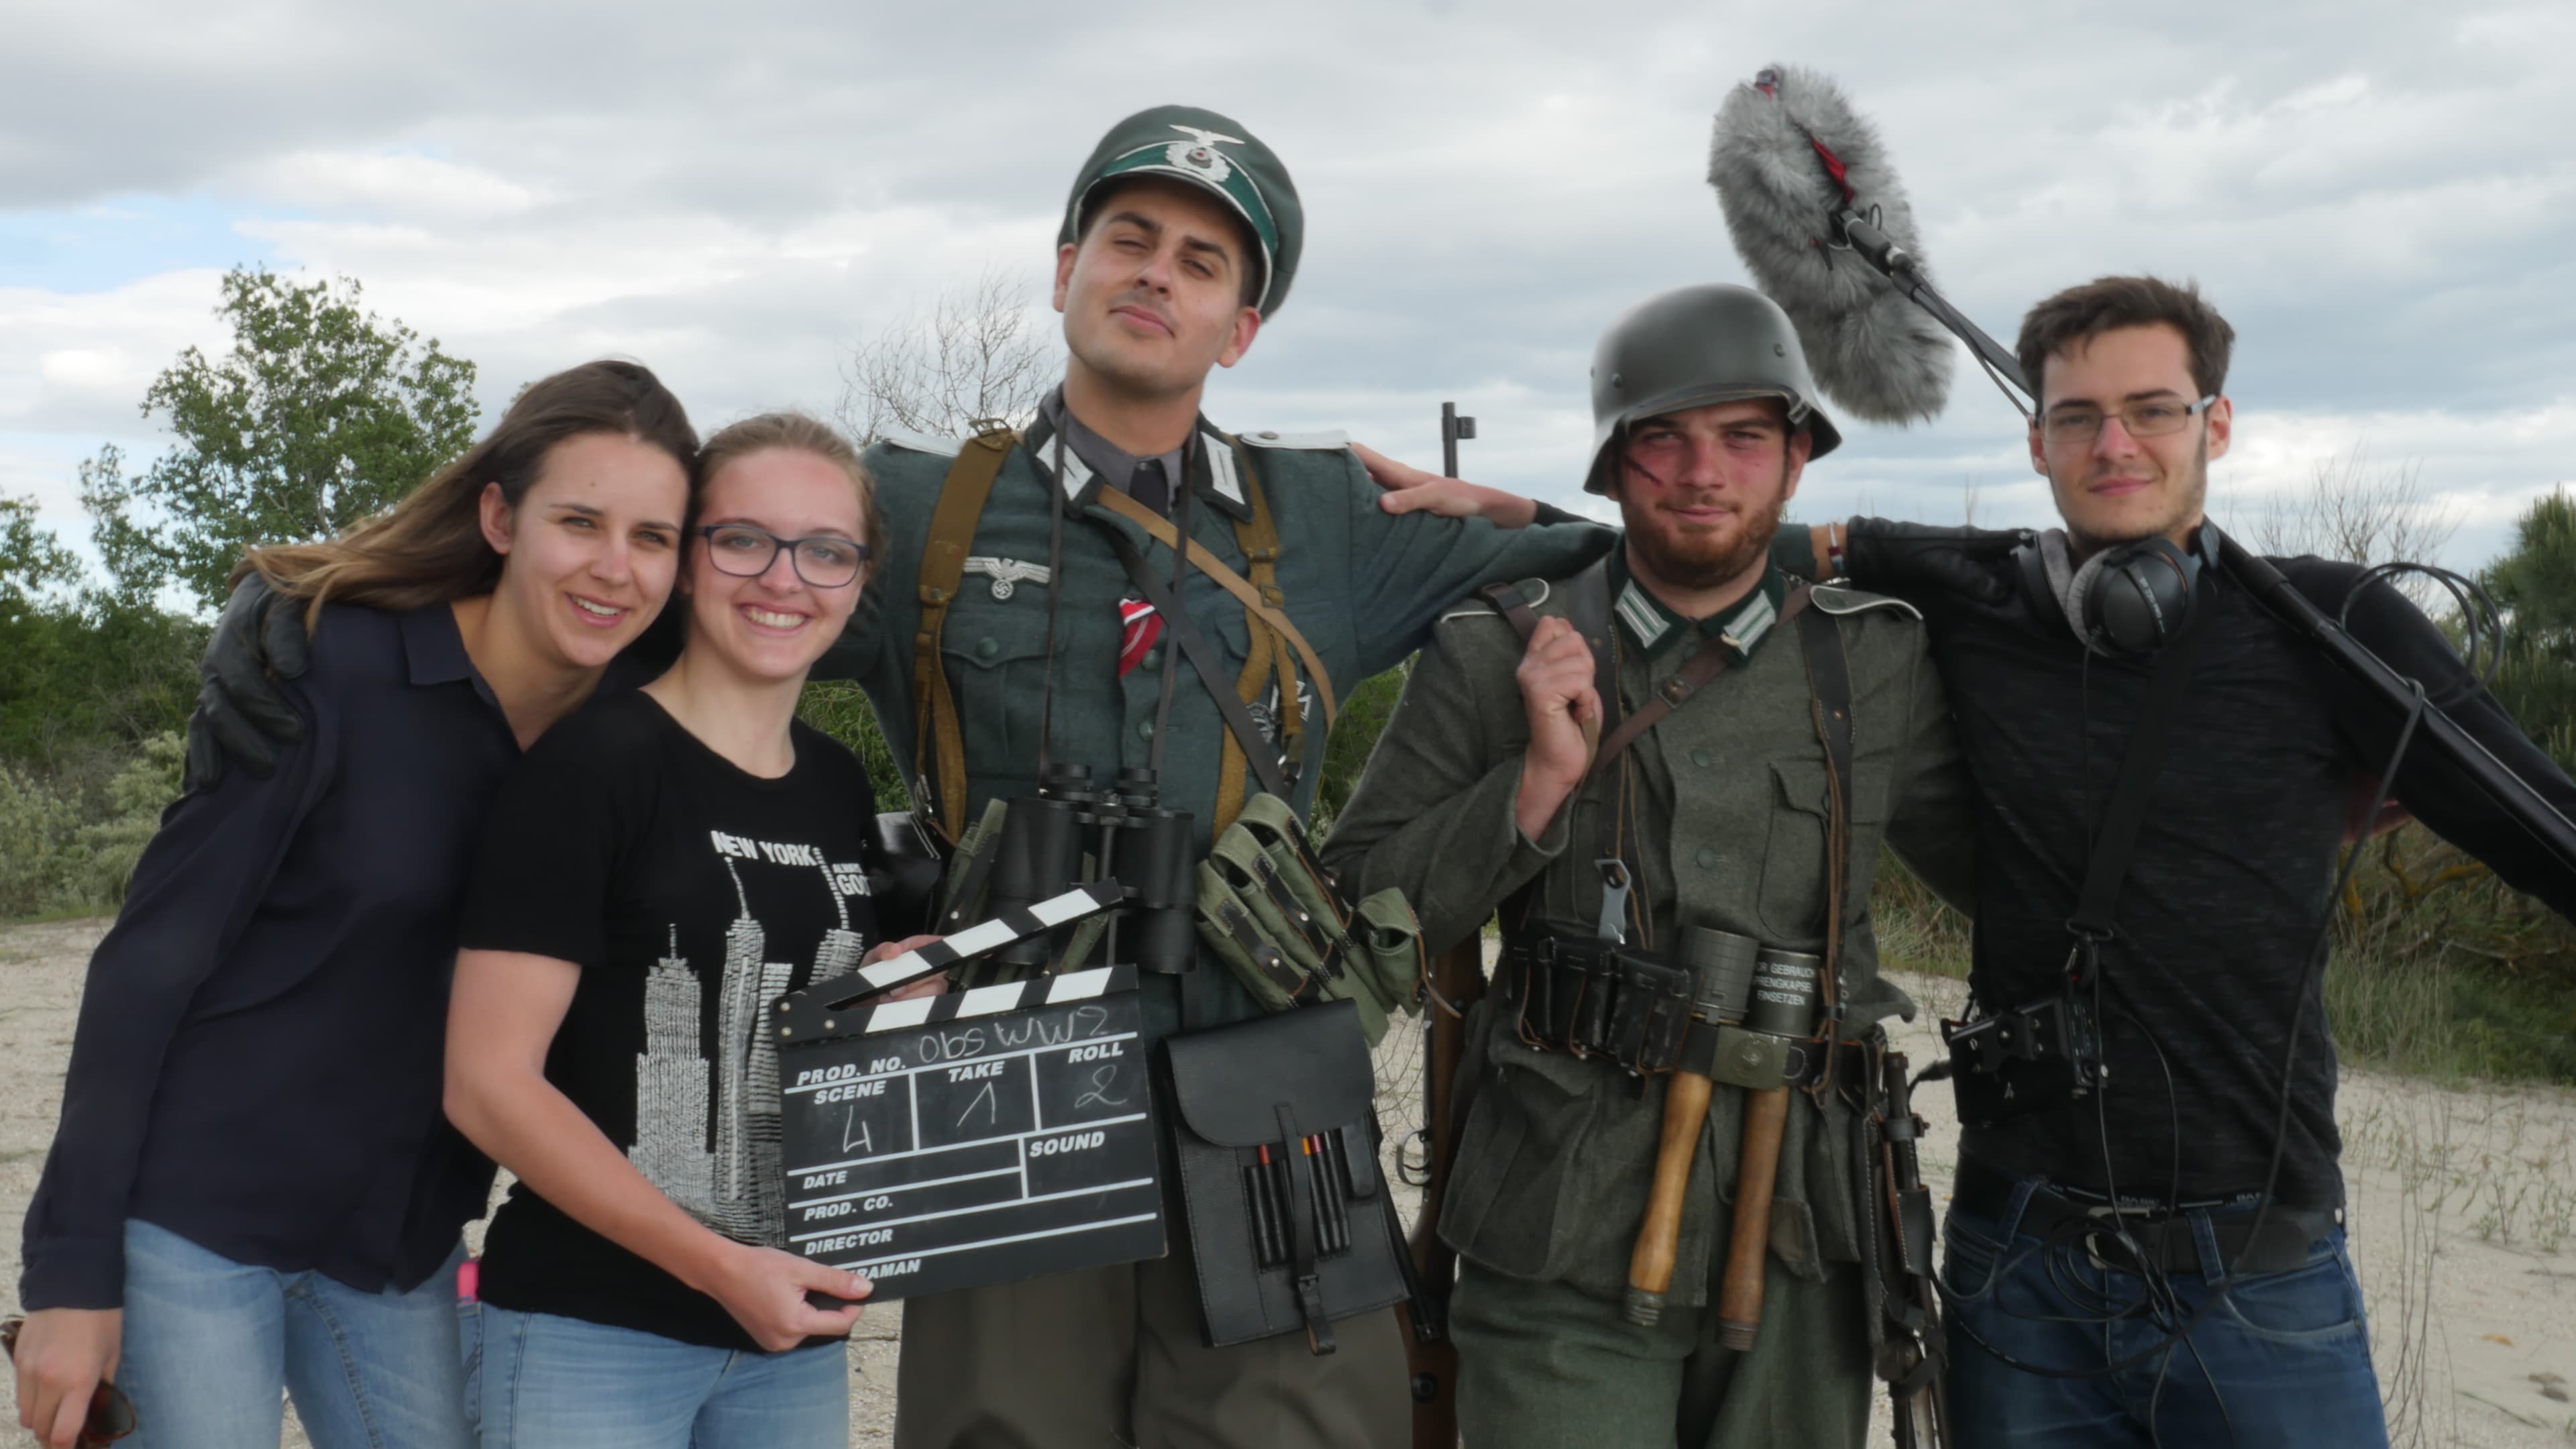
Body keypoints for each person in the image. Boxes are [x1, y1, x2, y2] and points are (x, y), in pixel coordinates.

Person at [181, 103, 1614, 1449]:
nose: (1152, 276)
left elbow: (1644, 558)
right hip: (1005, 1079)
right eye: (1126, 238)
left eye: (1201, 261)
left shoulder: (1325, 520)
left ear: (1240, 326)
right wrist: (341, 590)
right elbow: (651, 553)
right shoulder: (923, 508)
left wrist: (1516, 507)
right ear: (1063, 270)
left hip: (1264, 1077)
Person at [1376, 276, 2576, 1447]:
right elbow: (1710, 537)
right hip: (1982, 1257)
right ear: (2037, 442)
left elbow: (2539, 829)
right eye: (2076, 417)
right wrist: (1522, 542)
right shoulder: (1954, 611)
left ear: (2215, 422)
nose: (2116, 444)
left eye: (2152, 409)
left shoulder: (2331, 629)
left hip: (2192, 1259)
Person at [1322, 284, 1975, 1448]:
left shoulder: (1875, 658)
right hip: (1559, 1213)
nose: (1702, 472)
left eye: (1743, 439)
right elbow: (1355, 905)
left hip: (1802, 1222)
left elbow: (2009, 871)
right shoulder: (1497, 650)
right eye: (1662, 439)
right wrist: (1530, 788)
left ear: (1795, 466)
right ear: (1615, 470)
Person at [11, 361, 700, 1449]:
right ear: (499, 517)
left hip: (397, 1246)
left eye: (654, 537)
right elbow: (150, 961)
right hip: (197, 1217)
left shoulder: (639, 718)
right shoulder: (330, 661)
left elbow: (814, 598)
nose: (615, 568)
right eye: (579, 521)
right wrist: (71, 1275)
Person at [443, 413, 941, 1448]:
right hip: (590, 1331)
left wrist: (882, 995)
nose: (784, 578)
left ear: (858, 584)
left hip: (787, 1341)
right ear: (686, 560)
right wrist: (725, 1270)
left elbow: (799, 1032)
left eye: (826, 551)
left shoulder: (838, 782)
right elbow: (487, 1083)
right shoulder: (591, 771)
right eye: (743, 539)